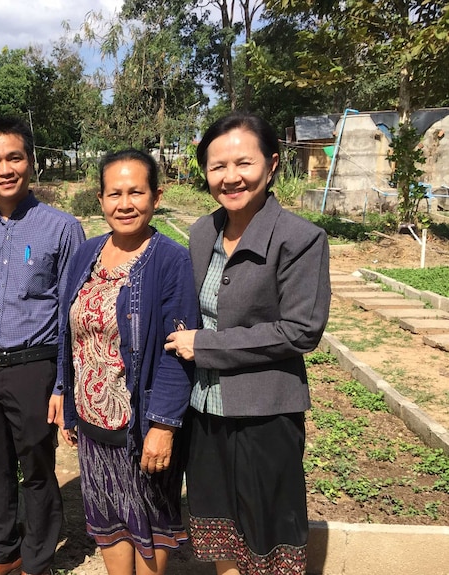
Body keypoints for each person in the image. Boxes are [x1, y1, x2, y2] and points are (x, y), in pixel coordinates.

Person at [164, 113, 331, 575]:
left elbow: (301, 330)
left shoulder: (300, 239)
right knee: (218, 524)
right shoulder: (202, 232)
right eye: (217, 166)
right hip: (204, 410)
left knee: (265, 527)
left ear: (272, 164)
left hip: (265, 412)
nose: (230, 177)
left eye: (244, 163)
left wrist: (208, 346)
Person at [0, 115, 86, 575]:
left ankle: (39, 560)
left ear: (31, 162)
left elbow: (71, 313)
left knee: (38, 467)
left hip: (35, 367)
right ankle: (3, 552)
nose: (5, 168)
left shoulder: (62, 229)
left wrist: (63, 384)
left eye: (14, 157)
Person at [57, 149, 199, 575]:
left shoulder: (171, 260)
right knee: (109, 526)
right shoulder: (87, 254)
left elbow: (177, 349)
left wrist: (163, 425)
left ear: (156, 196)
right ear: (99, 199)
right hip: (94, 428)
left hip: (141, 431)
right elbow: (70, 334)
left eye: (136, 192)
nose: (125, 203)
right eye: (114, 193)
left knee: (150, 530)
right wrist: (67, 404)